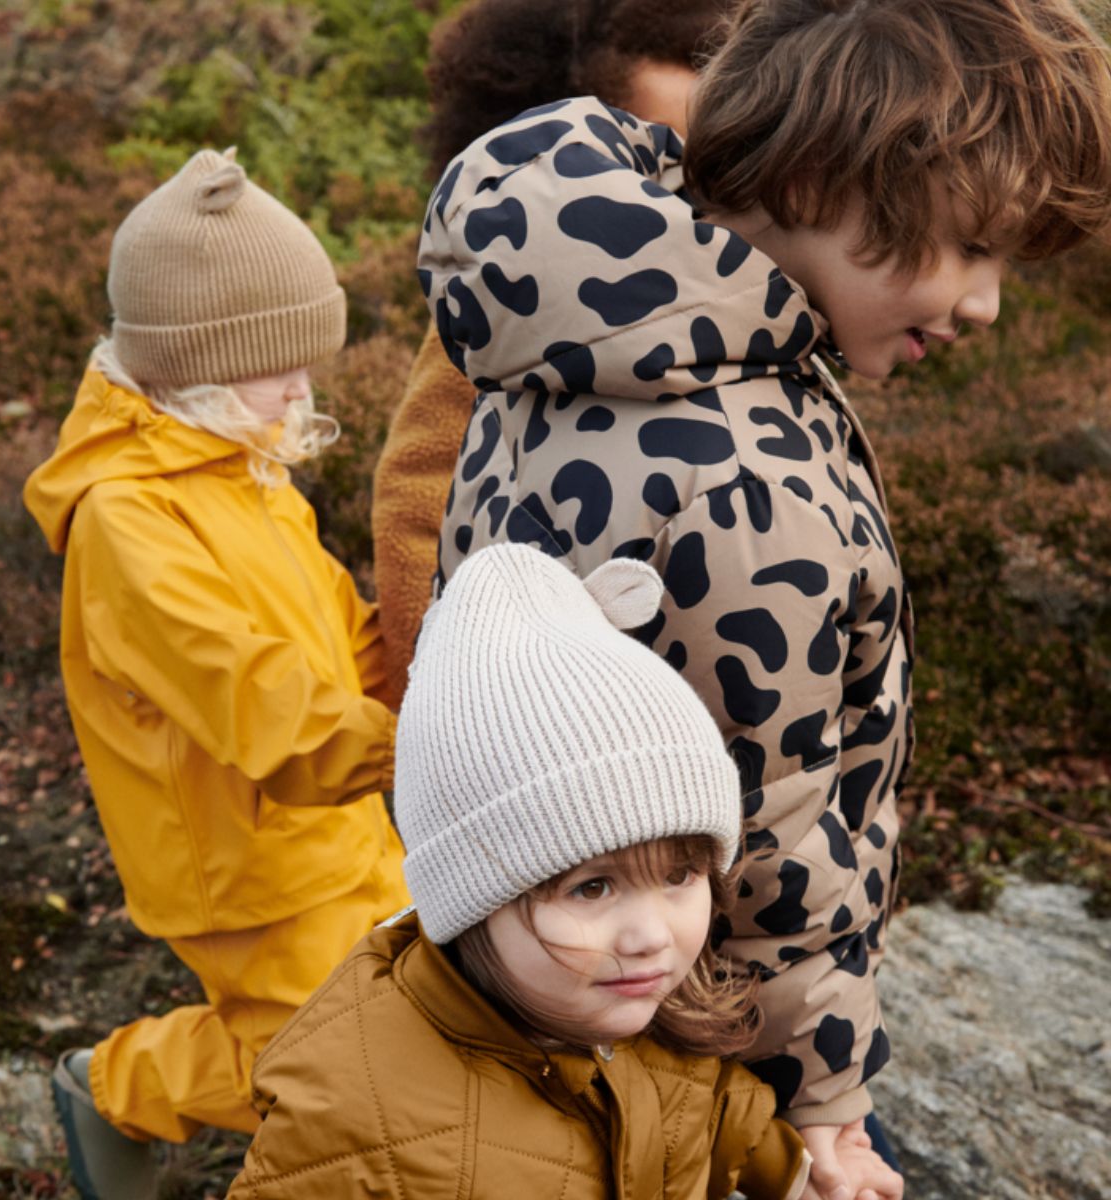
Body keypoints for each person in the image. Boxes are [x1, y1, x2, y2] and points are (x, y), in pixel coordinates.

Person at [416, 0, 1111, 1195]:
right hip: (710, 1028)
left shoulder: (604, 321)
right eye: (972, 247)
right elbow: (771, 821)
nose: (988, 304)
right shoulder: (731, 470)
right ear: (813, 180)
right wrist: (825, 1100)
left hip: (556, 979)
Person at [226, 542, 903, 1199]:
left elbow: (712, 1112)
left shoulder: (643, 1016)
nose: (652, 935)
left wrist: (800, 1177)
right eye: (593, 886)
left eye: (680, 876)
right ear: (474, 897)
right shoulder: (348, 1130)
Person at [23, 148, 410, 1200]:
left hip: (340, 820)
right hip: (242, 860)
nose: (303, 386)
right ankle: (113, 1088)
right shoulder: (129, 519)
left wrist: (443, 665)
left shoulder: (242, 468)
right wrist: (415, 746)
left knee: (413, 1025)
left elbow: (334, 637)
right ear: (192, 358)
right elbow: (254, 698)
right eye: (278, 360)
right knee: (330, 1066)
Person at [373, 0, 735, 706]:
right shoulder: (503, 316)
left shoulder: (744, 301)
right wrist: (450, 704)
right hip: (546, 724)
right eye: (643, 156)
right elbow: (416, 504)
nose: (673, 186)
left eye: (697, 161)